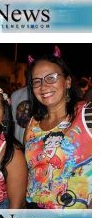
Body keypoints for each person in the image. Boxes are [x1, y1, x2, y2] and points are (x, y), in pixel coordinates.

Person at [24, 53, 91, 209]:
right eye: (36, 81)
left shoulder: (87, 114)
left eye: (51, 77)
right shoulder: (32, 123)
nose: (43, 86)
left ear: (67, 82)